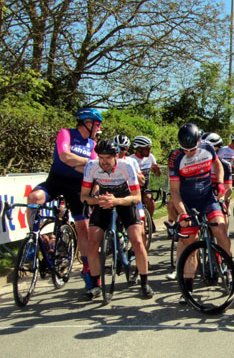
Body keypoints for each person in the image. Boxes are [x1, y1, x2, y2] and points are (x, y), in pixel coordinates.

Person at [26, 107, 100, 294]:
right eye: (96, 124)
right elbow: (64, 156)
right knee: (34, 197)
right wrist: (86, 162)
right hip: (56, 181)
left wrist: (81, 164)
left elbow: (92, 169)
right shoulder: (65, 133)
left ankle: (87, 268)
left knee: (84, 229)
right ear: (87, 123)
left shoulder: (91, 144)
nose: (98, 128)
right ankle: (36, 240)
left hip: (77, 188)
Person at [80, 139, 153, 299]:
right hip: (104, 200)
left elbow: (137, 197)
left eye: (108, 158)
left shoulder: (126, 166)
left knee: (137, 240)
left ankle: (144, 282)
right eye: (101, 158)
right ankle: (95, 284)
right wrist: (99, 201)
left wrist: (116, 201)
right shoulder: (91, 166)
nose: (104, 162)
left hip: (125, 201)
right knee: (92, 242)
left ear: (116, 157)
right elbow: (84, 196)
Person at [167, 123, 232, 302]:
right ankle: (187, 289)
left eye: (192, 149)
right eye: (185, 149)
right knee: (190, 244)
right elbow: (174, 191)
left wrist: (219, 183)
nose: (189, 152)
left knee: (221, 230)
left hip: (207, 199)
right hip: (187, 202)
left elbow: (218, 166)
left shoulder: (208, 148)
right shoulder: (175, 157)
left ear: (199, 141)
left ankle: (228, 269)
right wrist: (182, 214)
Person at [129, 135, 162, 220]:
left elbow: (158, 174)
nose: (149, 151)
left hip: (144, 188)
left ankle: (150, 219)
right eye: (147, 149)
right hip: (133, 189)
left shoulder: (150, 157)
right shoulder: (131, 159)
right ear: (139, 149)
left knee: (151, 201)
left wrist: (158, 169)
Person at [205, 133, 233, 203]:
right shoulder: (197, 163)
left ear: (217, 148)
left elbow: (228, 188)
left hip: (218, 196)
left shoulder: (225, 165)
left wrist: (221, 200)